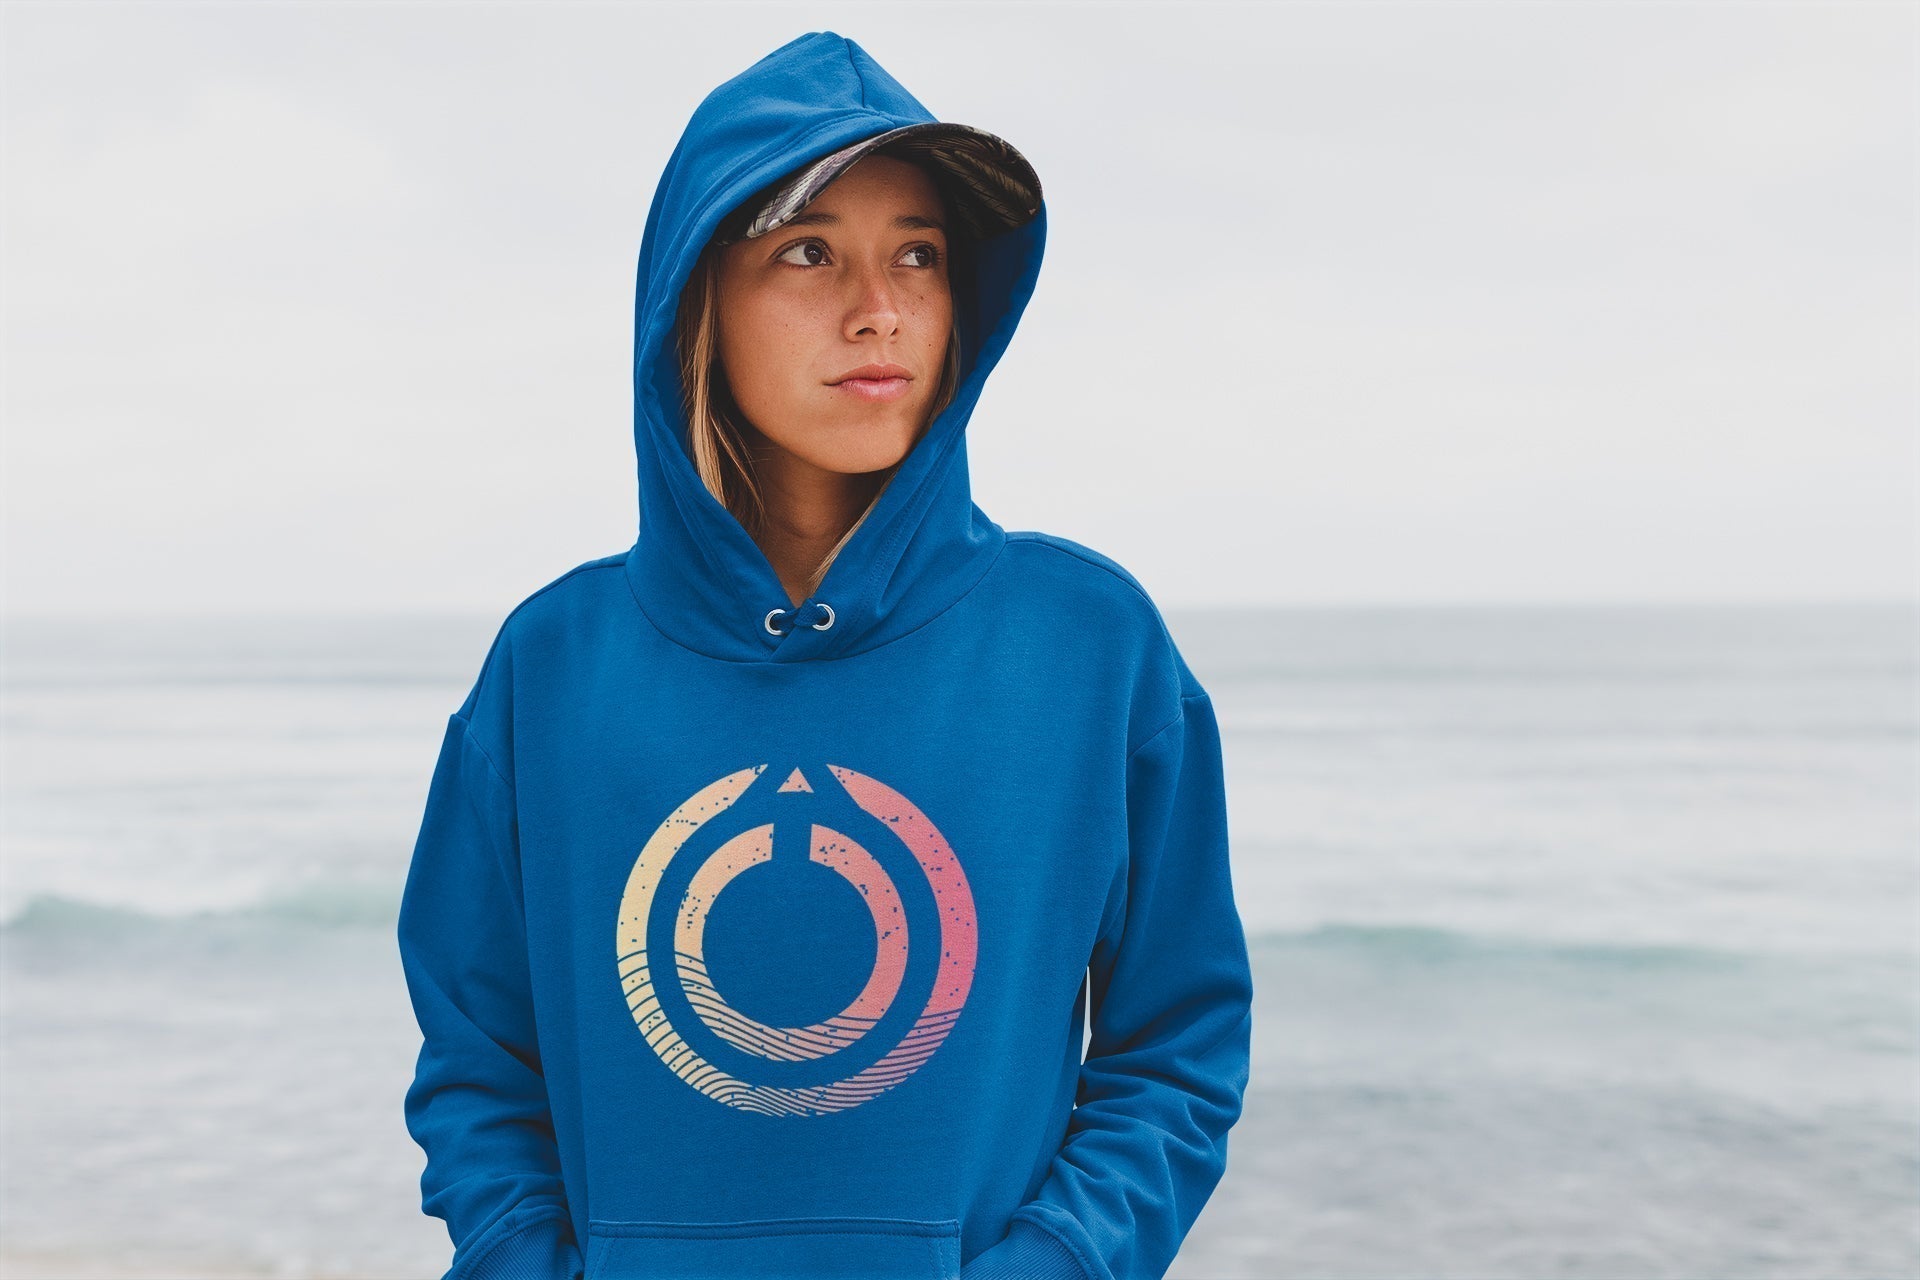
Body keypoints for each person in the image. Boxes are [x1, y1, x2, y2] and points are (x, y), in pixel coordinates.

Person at [396, 29, 1254, 1280]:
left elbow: (1177, 1047)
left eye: (920, 253)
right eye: (810, 251)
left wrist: (1054, 1264)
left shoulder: (1088, 643)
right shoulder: (551, 668)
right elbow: (478, 1058)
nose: (880, 307)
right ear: (698, 293)